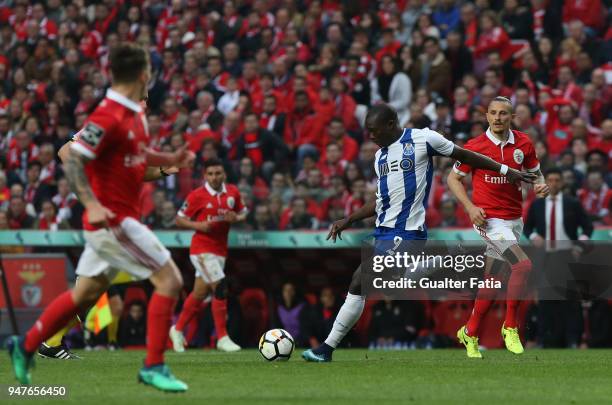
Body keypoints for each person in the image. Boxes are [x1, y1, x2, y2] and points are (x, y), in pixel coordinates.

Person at [6, 44, 194, 392]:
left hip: (116, 220)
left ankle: (26, 344)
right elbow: (72, 157)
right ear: (143, 74)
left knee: (84, 295)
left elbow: (136, 155)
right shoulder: (107, 115)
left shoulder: (133, 113)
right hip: (113, 222)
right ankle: (153, 365)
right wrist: (91, 203)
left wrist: (170, 158)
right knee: (169, 281)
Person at [302, 103, 536, 362]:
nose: (370, 136)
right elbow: (382, 199)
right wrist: (349, 219)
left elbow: (466, 155)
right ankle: (439, 262)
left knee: (360, 279)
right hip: (384, 231)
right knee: (389, 286)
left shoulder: (423, 138)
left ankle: (326, 349)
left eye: (373, 130)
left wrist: (505, 169)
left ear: (390, 124)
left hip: (406, 232)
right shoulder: (380, 157)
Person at [447, 96, 549, 358]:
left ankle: (469, 332)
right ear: (487, 116)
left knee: (492, 280)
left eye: (503, 113)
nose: (498, 118)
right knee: (522, 265)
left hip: (514, 219)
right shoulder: (475, 146)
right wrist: (470, 208)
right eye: (493, 113)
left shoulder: (524, 143)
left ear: (512, 117)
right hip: (489, 220)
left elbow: (535, 172)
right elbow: (453, 179)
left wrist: (540, 185)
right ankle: (511, 326)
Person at [170, 158, 247, 353]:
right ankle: (222, 337)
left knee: (199, 293)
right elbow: (179, 219)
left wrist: (235, 218)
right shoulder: (197, 195)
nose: (214, 177)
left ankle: (177, 330)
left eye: (218, 173)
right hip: (201, 249)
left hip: (220, 250)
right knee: (220, 286)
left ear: (224, 174)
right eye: (210, 174)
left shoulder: (233, 193)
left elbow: (244, 212)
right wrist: (198, 226)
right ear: (205, 176)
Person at [524, 168, 593, 348]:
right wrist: (533, 237)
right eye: (550, 180)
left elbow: (587, 228)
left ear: (561, 182)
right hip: (545, 256)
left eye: (557, 180)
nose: (553, 183)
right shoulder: (537, 204)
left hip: (566, 255)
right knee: (545, 301)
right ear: (545, 182)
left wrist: (579, 245)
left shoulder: (572, 203)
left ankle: (573, 340)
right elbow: (527, 227)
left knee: (571, 301)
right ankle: (543, 340)